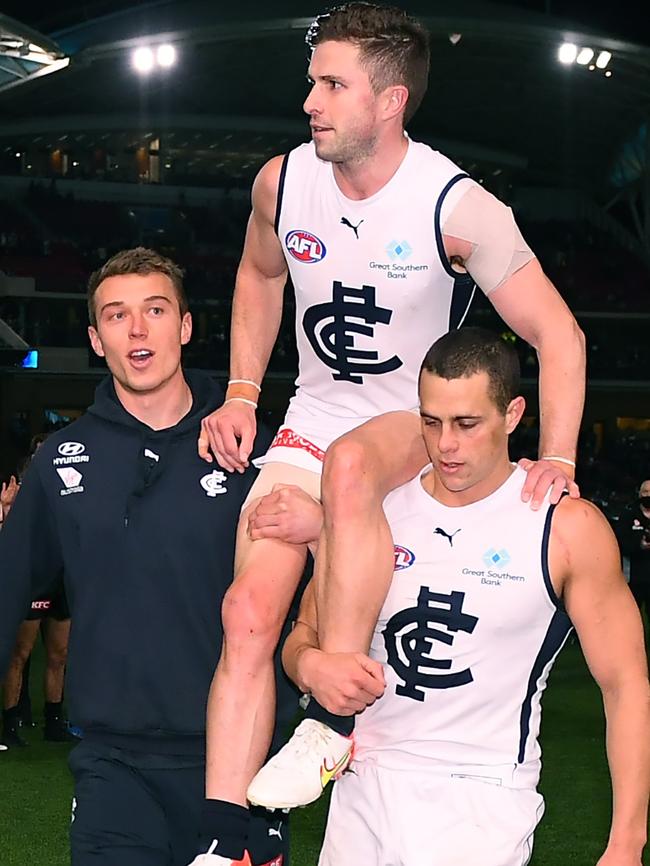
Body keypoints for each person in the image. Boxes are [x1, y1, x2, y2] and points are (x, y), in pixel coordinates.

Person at [193, 4, 585, 856]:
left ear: (391, 101)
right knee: (248, 609)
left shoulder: (458, 206)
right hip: (312, 416)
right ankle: (233, 840)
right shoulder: (280, 182)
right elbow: (259, 276)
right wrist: (241, 389)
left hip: (409, 421)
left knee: (348, 472)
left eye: (333, 85)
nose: (311, 101)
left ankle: (329, 722)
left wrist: (557, 452)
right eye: (311, 82)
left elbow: (561, 333)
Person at [275, 328, 650, 866]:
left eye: (467, 424)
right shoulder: (375, 510)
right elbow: (305, 635)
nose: (445, 444)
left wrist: (626, 844)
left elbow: (626, 686)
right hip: (364, 787)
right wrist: (312, 667)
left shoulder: (564, 529)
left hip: (482, 798)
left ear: (514, 413)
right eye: (431, 422)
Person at [0, 247, 292, 866]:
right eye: (116, 315)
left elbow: (322, 591)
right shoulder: (62, 460)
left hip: (238, 764)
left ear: (184, 327)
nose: (136, 329)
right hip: (111, 766)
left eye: (155, 310)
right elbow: (6, 588)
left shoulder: (258, 453)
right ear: (94, 338)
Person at [616, 479, 650, 629]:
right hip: (633, 578)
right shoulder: (628, 514)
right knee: (631, 620)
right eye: (645, 492)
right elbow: (621, 543)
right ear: (639, 493)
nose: (648, 495)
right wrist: (640, 545)